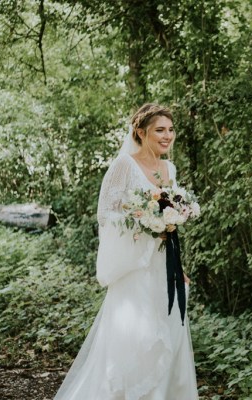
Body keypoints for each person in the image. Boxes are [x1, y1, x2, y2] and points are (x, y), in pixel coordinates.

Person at [54, 103, 198, 400]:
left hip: (162, 265)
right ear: (141, 132)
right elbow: (105, 213)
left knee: (167, 336)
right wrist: (143, 222)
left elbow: (168, 219)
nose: (167, 135)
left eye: (170, 130)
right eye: (160, 130)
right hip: (135, 269)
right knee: (136, 343)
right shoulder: (124, 166)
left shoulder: (169, 168)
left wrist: (176, 263)